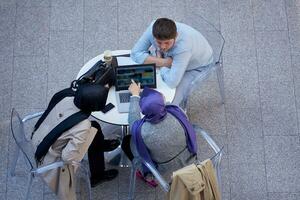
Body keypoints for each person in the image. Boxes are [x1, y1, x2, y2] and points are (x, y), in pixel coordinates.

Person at [31, 84, 119, 200]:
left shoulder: (67, 97)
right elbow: (67, 157)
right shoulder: (83, 125)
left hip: (39, 138)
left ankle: (100, 146)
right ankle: (97, 176)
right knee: (90, 131)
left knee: (95, 127)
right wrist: (81, 147)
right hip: (49, 159)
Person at [121, 80, 198, 186]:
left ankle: (147, 175)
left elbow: (132, 120)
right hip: (187, 155)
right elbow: (166, 105)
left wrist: (135, 95)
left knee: (126, 142)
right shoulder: (177, 112)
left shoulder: (141, 131)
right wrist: (155, 99)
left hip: (162, 167)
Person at [131, 18, 213, 106]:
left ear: (176, 36)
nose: (162, 47)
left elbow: (172, 82)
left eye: (167, 43)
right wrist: (164, 62)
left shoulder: (184, 47)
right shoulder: (153, 28)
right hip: (170, 59)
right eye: (159, 42)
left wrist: (160, 65)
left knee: (171, 104)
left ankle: (180, 113)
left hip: (198, 67)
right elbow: (135, 53)